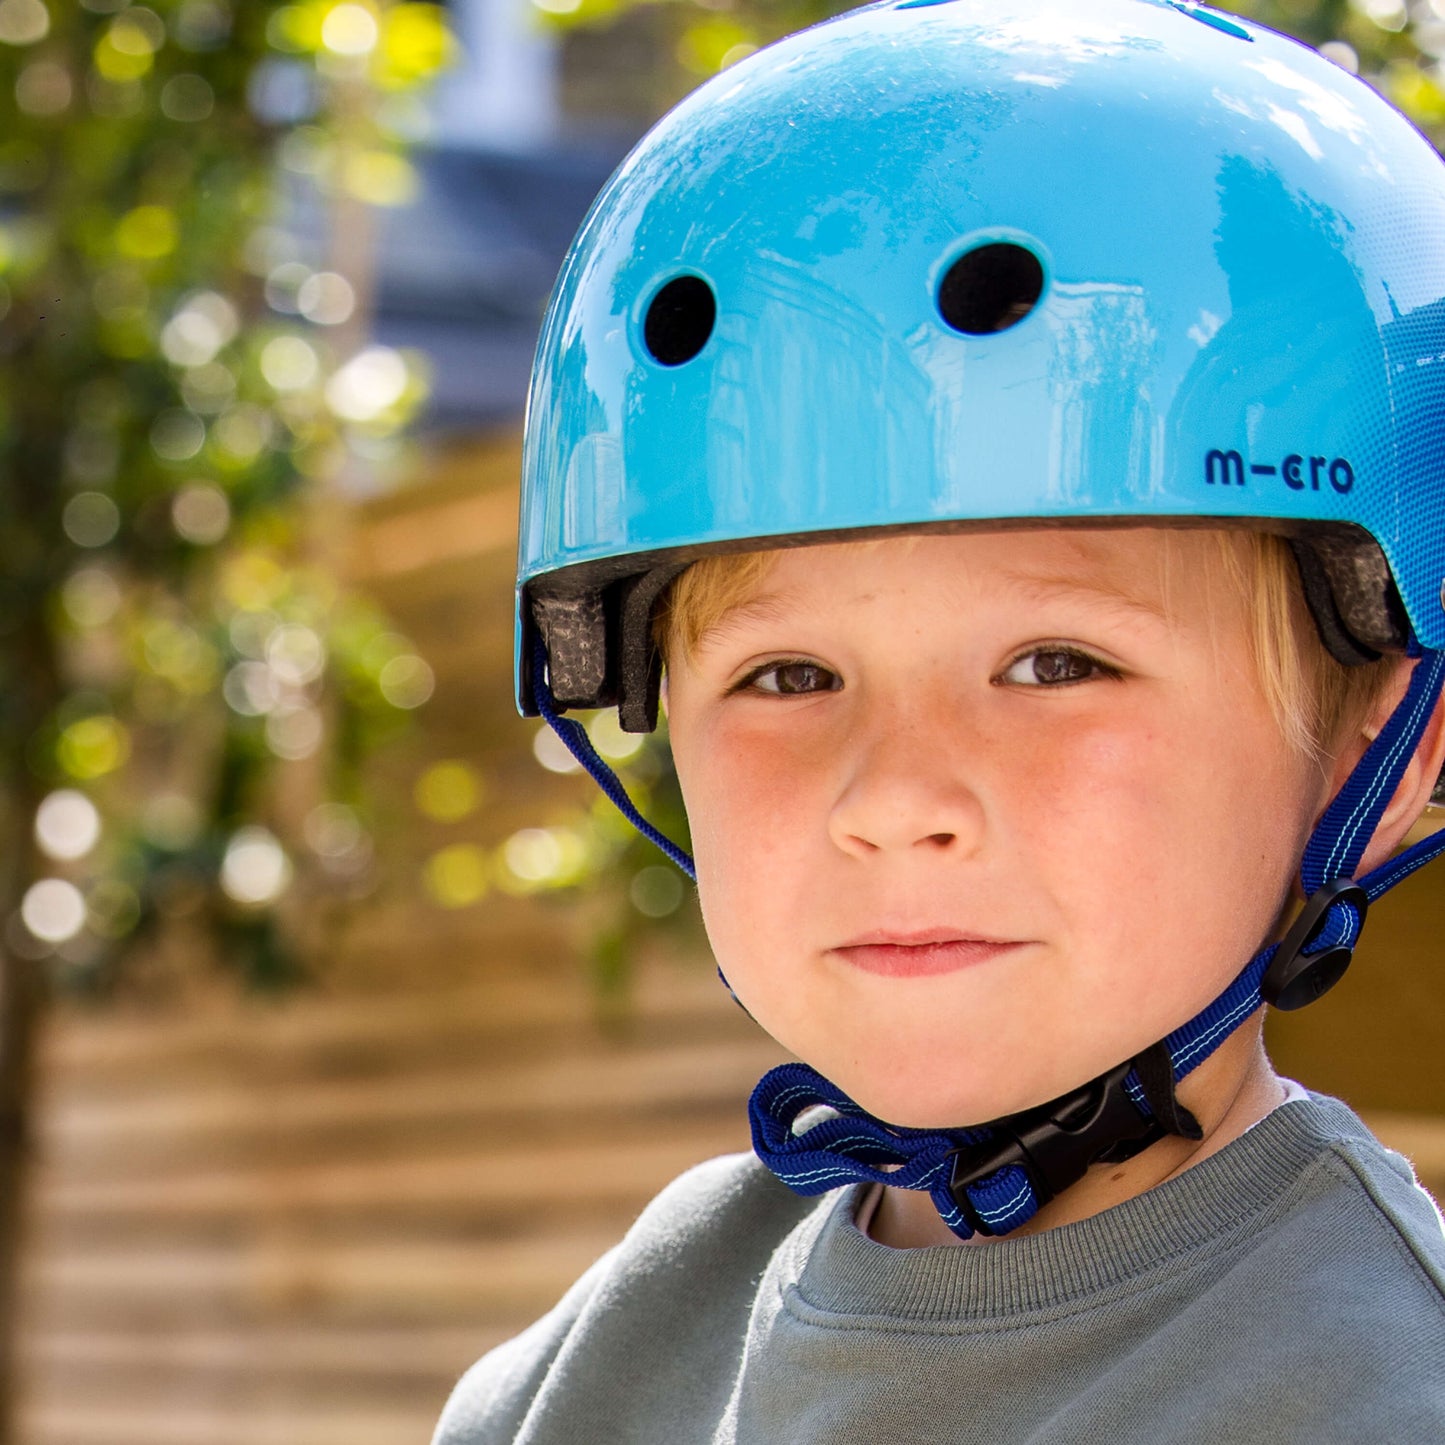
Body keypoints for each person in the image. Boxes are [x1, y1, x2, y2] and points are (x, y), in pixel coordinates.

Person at [434, 0, 1445, 1438]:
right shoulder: (592, 1366)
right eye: (786, 675)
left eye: (1050, 663)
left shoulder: (1376, 1389)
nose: (892, 796)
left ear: (1386, 749)